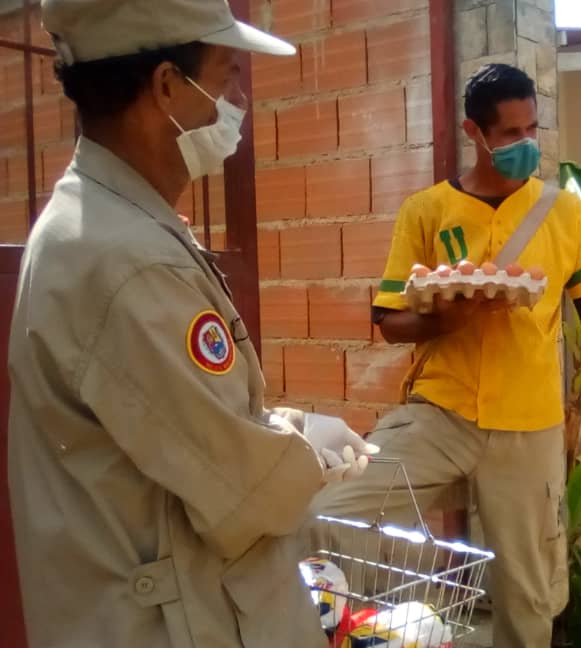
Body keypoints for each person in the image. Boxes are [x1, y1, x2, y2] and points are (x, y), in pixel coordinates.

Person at [7, 1, 376, 646]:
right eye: (227, 75)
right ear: (167, 86)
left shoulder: (104, 222)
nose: (236, 101)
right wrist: (305, 457)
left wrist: (283, 425)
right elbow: (245, 492)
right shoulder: (126, 259)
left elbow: (171, 418)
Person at [312, 63, 581, 648]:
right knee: (327, 517)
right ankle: (339, 625)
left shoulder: (565, 212)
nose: (526, 143)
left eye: (532, 129)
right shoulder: (427, 210)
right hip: (441, 411)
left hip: (529, 424)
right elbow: (390, 321)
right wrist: (449, 316)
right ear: (473, 132)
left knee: (528, 596)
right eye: (509, 133)